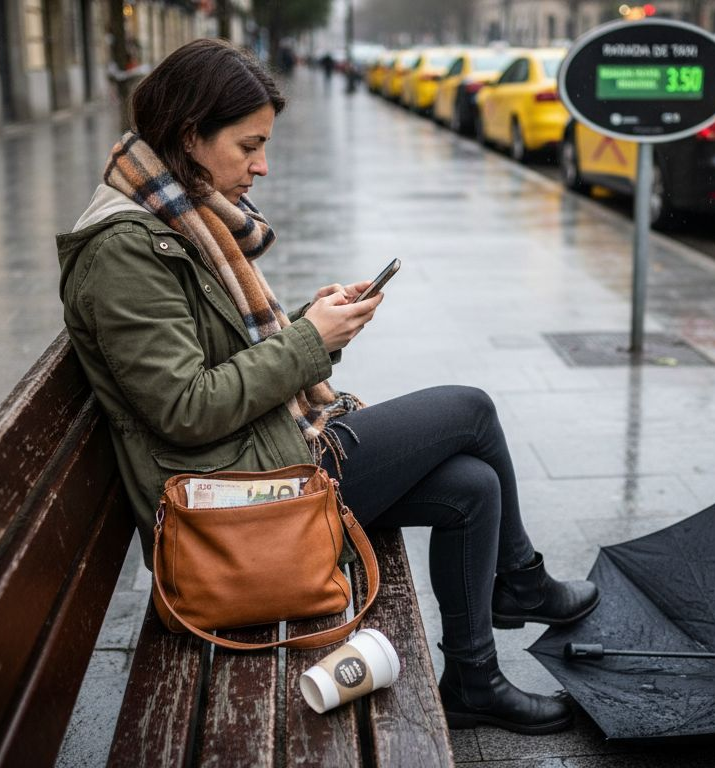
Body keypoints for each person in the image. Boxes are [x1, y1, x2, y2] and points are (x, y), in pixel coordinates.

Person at [55, 39, 598, 735]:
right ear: (190, 136)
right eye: (249, 145)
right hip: (234, 502)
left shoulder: (171, 213)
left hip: (251, 459)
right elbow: (185, 408)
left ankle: (474, 681)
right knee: (471, 410)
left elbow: (216, 358)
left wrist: (311, 325)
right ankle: (521, 580)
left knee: (472, 487)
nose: (261, 165)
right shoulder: (124, 250)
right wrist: (310, 340)